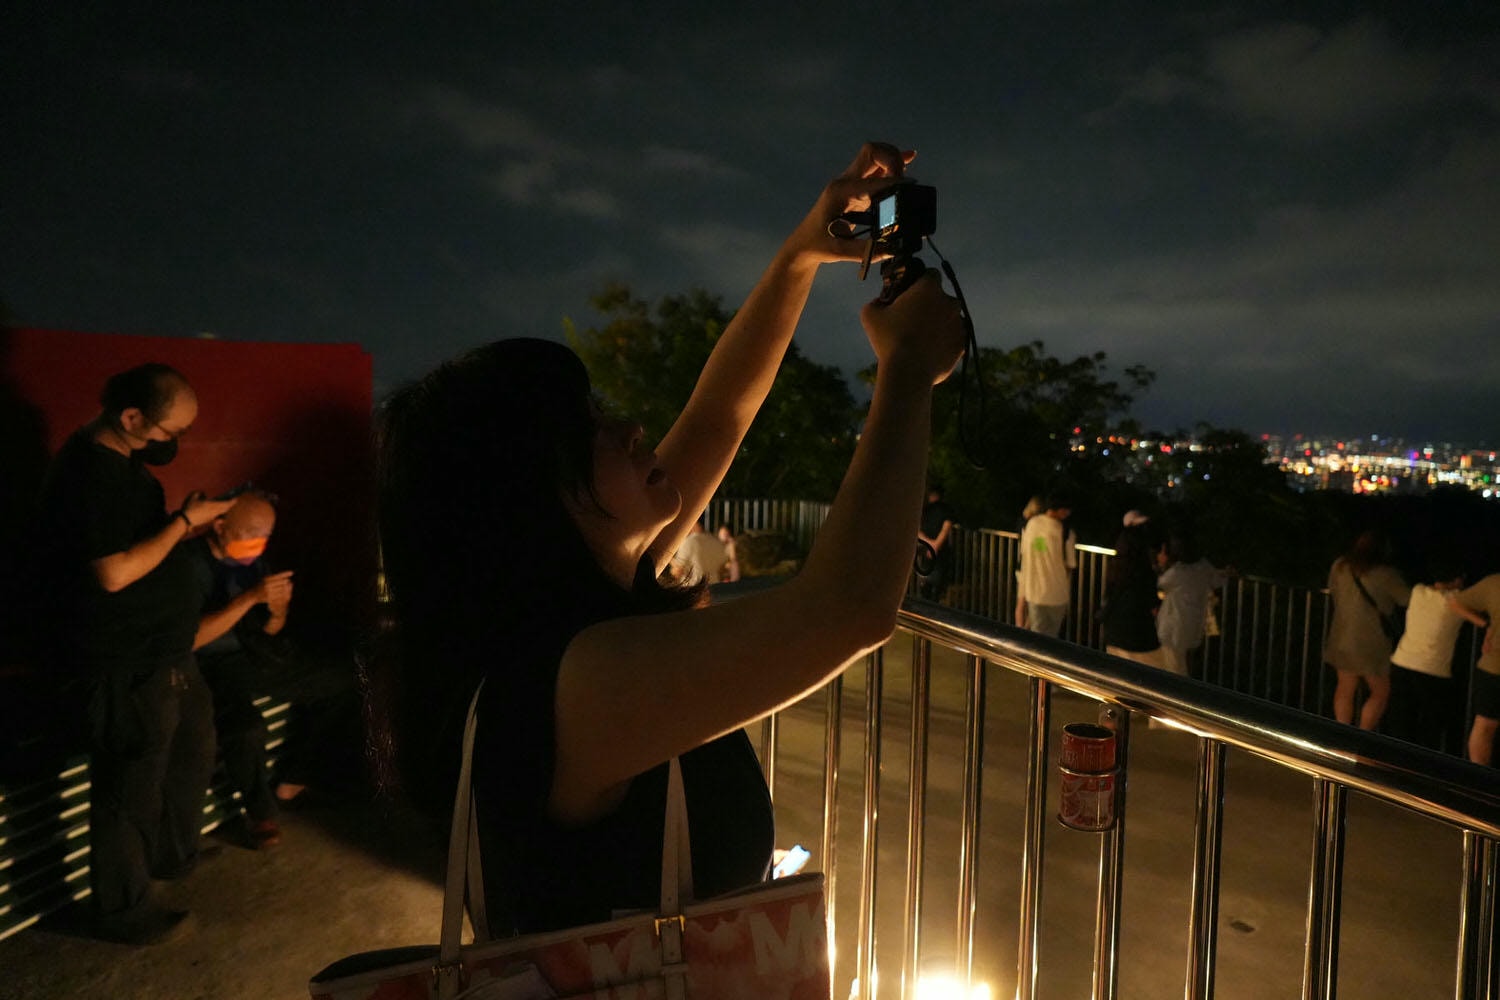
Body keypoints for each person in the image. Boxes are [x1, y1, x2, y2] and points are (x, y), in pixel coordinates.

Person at [369, 142, 966, 935]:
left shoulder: (575, 603)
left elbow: (722, 414)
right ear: (527, 498)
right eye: (591, 429)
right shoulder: (567, 685)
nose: (632, 428)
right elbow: (847, 610)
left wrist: (800, 256)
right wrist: (906, 372)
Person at [36, 363, 236, 944]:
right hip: (123, 659)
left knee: (193, 752)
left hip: (166, 648)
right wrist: (181, 522)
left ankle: (173, 857)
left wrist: (184, 526)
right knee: (130, 788)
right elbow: (114, 573)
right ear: (131, 417)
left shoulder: (128, 465)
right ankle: (123, 909)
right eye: (170, 431)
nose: (175, 443)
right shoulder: (87, 474)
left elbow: (142, 545)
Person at [189, 490, 295, 847]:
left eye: (266, 534)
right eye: (250, 532)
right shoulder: (190, 563)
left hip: (248, 655)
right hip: (207, 663)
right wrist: (249, 598)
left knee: (344, 679)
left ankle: (298, 776)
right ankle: (261, 813)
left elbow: (266, 632)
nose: (258, 543)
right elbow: (191, 639)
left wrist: (277, 611)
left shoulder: (253, 565)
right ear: (220, 525)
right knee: (245, 727)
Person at [1385, 558, 1486, 753]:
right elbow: (1474, 608)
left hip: (1402, 662)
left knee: (1401, 721)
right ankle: (1423, 769)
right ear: (1458, 580)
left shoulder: (1418, 591)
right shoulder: (1457, 599)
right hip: (1432, 669)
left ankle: (1395, 764)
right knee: (1431, 725)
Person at [1324, 530, 1411, 732]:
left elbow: (1333, 590)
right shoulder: (1387, 575)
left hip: (1341, 636)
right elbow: (1406, 599)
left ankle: (1342, 735)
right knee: (1381, 692)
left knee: (1345, 688)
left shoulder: (1340, 566)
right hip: (1372, 641)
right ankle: (1363, 736)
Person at [1155, 529, 1229, 677]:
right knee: (1186, 664)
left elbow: (1160, 583)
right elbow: (1217, 581)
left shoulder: (1177, 572)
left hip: (1173, 627)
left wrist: (1161, 565)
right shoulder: (1203, 567)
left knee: (1174, 667)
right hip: (1194, 624)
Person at [1099, 519, 1166, 669]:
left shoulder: (1115, 567)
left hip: (1114, 632)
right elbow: (1153, 606)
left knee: (1118, 675)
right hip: (1138, 636)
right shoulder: (1145, 572)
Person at [1448, 573, 1499, 765]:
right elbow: (1456, 603)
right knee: (1484, 726)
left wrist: (1486, 626)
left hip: (1493, 666)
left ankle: (1479, 782)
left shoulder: (1494, 583)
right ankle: (1479, 781)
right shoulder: (1494, 584)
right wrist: (1486, 625)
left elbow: (1455, 603)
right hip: (1494, 667)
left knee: (1484, 726)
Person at [1017, 491, 1077, 637]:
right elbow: (1070, 564)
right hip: (1057, 594)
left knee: (1037, 637)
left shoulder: (1031, 525)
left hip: (1035, 593)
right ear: (1062, 510)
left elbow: (1026, 553)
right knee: (1052, 639)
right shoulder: (1066, 532)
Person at [917, 482, 955, 601]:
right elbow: (945, 528)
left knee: (925, 579)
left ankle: (925, 606)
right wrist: (935, 545)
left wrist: (928, 544)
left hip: (925, 549)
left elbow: (917, 529)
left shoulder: (924, 510)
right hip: (941, 550)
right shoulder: (947, 509)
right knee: (938, 583)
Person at [672, 518, 729, 586]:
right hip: (714, 588)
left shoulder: (688, 542)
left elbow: (678, 571)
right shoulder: (716, 542)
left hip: (693, 589)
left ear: (695, 523)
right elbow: (723, 569)